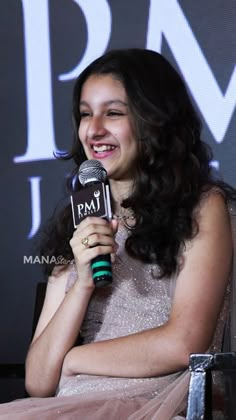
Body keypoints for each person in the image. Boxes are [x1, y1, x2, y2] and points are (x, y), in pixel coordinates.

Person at [0, 48, 235, 419]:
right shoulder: (80, 220)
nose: (93, 130)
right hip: (70, 402)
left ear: (154, 121)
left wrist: (75, 359)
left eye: (113, 113)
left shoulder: (203, 207)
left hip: (155, 402)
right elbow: (40, 380)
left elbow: (185, 343)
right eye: (84, 114)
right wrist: (81, 283)